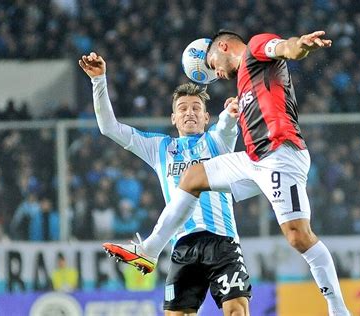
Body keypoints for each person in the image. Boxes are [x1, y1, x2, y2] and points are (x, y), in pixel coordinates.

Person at [103, 29, 351, 315]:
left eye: (212, 66)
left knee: (298, 236)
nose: (216, 74)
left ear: (223, 46)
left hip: (281, 156)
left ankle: (338, 309)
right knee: (193, 176)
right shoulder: (243, 82)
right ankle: (149, 250)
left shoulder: (255, 49)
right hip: (254, 159)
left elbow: (284, 48)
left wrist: (301, 47)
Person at [79, 52, 252, 316]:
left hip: (222, 241)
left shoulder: (218, 142)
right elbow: (108, 127)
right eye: (182, 108)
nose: (190, 113)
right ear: (173, 118)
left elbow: (228, 125)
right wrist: (99, 80)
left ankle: (149, 249)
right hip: (182, 245)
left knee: (237, 312)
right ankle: (150, 250)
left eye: (196, 108)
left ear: (207, 118)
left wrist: (230, 113)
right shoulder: (160, 147)